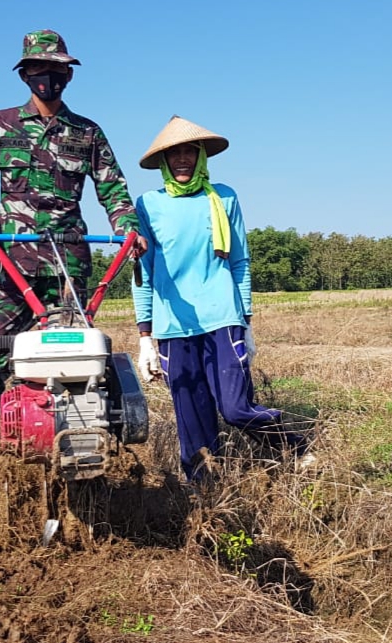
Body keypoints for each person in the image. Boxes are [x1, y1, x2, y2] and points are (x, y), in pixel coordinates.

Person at [0, 29, 147, 473]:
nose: (48, 78)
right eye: (39, 69)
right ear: (25, 74)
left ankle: (76, 433)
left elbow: (113, 187)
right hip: (12, 259)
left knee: (74, 353)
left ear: (68, 76)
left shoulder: (87, 131)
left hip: (68, 258)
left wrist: (128, 230)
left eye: (57, 70)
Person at [130, 116, 312, 481]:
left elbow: (241, 260)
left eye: (190, 152)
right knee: (192, 417)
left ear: (201, 157)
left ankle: (295, 446)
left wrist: (246, 321)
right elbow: (142, 273)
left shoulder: (224, 197)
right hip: (172, 326)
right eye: (174, 153)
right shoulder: (148, 205)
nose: (183, 159)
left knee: (235, 408)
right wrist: (145, 336)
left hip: (223, 318)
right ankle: (206, 491)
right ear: (163, 162)